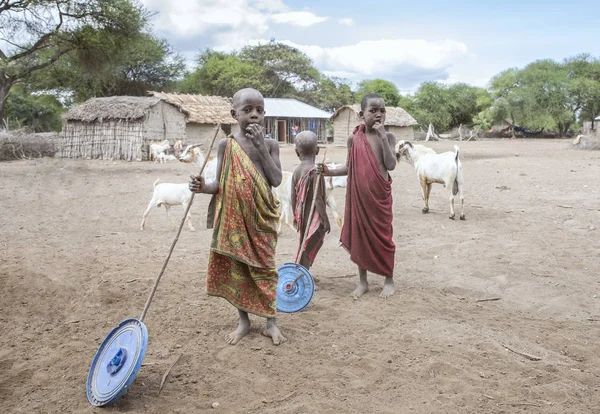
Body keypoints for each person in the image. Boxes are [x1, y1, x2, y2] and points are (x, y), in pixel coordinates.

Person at [189, 88, 286, 346]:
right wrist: (202, 186)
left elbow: (275, 179)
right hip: (234, 220)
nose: (254, 115)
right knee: (238, 268)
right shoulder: (226, 145)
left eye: (259, 110)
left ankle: (270, 323)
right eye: (247, 110)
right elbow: (219, 184)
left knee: (266, 268)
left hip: (262, 218)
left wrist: (260, 148)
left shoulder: (271, 144)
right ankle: (243, 320)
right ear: (234, 114)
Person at [319, 93, 397, 299]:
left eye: (382, 110)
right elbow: (348, 167)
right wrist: (329, 172)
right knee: (360, 237)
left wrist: (382, 137)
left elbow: (391, 165)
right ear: (362, 114)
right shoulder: (354, 138)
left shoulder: (388, 137)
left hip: (380, 198)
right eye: (373, 111)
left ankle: (388, 279)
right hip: (359, 199)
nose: (378, 115)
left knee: (384, 238)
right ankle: (363, 282)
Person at [291, 131, 330, 272]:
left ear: (296, 152)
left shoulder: (296, 171)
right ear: (318, 150)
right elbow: (318, 199)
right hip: (313, 218)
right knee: (308, 247)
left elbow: (293, 196)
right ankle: (304, 275)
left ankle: (303, 272)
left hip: (301, 216)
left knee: (303, 244)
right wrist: (325, 219)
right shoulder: (315, 172)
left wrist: (295, 216)